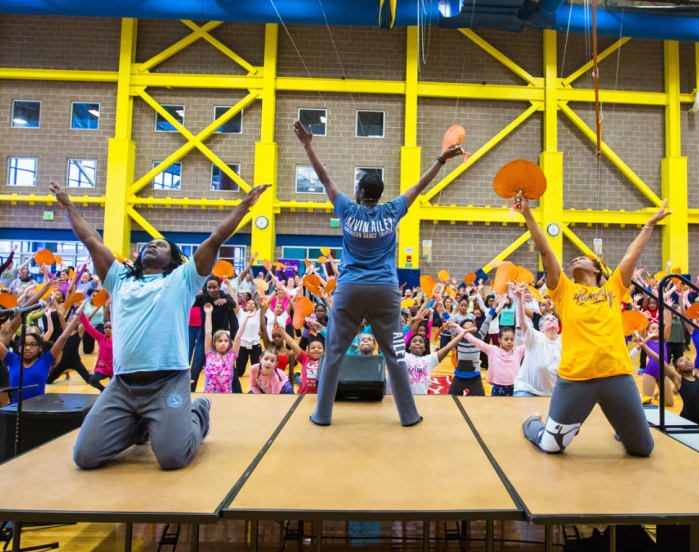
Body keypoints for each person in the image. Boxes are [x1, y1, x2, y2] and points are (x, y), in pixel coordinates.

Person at [55, 180, 271, 470]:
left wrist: (245, 205)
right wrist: (68, 204)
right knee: (85, 457)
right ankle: (144, 425)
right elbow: (92, 240)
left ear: (173, 258)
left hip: (167, 382)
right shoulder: (119, 278)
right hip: (123, 385)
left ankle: (198, 413)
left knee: (172, 459)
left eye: (161, 245)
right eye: (149, 244)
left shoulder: (182, 278)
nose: (152, 245)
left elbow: (216, 238)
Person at [294, 118, 464, 426]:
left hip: (349, 291)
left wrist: (307, 145)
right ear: (380, 195)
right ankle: (409, 415)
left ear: (359, 193)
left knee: (333, 352)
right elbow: (420, 186)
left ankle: (322, 414)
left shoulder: (347, 209)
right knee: (397, 353)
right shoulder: (393, 210)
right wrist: (441, 159)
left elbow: (323, 177)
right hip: (386, 292)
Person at [519, 191, 671, 457]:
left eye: (583, 258)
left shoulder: (614, 288)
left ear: (598, 268)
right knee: (550, 446)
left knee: (642, 449)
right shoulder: (564, 290)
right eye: (573, 259)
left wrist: (650, 225)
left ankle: (624, 427)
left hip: (617, 377)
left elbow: (631, 255)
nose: (575, 259)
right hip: (576, 380)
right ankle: (533, 424)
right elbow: (545, 249)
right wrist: (528, 214)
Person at [201, 302, 247, 393]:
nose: (223, 343)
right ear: (214, 343)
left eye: (226, 341)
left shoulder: (231, 355)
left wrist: (246, 318)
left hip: (226, 395)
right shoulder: (210, 353)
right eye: (220, 341)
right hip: (210, 394)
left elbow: (238, 336)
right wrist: (208, 313)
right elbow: (208, 334)